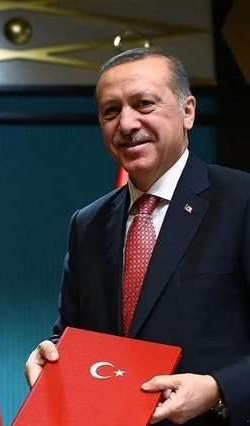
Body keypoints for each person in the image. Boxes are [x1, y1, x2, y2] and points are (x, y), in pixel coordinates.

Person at [24, 47, 250, 426]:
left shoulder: (241, 200)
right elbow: (74, 335)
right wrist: (49, 357)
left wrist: (218, 389)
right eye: (110, 111)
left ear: (188, 112)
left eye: (144, 104)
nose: (126, 124)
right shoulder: (88, 224)